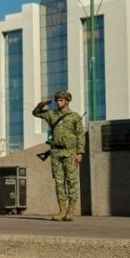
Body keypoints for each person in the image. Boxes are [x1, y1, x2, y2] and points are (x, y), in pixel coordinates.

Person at [32, 90, 86, 221]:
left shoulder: (74, 117)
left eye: (61, 100)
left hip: (70, 153)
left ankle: (71, 211)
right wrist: (42, 104)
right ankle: (62, 211)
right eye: (57, 100)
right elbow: (36, 113)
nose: (58, 102)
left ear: (67, 101)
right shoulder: (52, 115)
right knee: (59, 182)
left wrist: (80, 152)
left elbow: (80, 135)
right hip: (56, 152)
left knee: (71, 181)